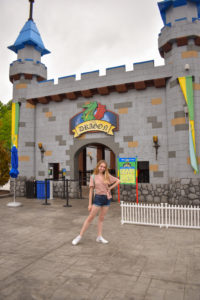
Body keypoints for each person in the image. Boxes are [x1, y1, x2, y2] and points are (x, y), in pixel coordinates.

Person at [72, 160, 120, 245]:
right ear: (98, 166)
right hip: (98, 198)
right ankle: (79, 236)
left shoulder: (107, 175)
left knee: (101, 218)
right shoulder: (93, 177)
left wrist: (110, 188)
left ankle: (99, 237)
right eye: (101, 166)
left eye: (104, 167)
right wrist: (90, 204)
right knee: (90, 218)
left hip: (107, 198)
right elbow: (91, 191)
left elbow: (118, 181)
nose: (102, 168)